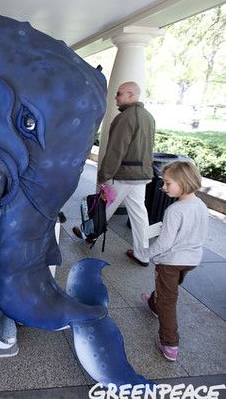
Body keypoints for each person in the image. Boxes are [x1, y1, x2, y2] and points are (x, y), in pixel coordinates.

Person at [72, 81, 155, 266]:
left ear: (131, 95)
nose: (116, 97)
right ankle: (143, 254)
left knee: (104, 205)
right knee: (139, 215)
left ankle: (89, 234)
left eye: (119, 93)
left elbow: (116, 150)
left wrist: (104, 175)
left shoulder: (125, 118)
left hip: (122, 174)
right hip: (141, 175)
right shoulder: (148, 117)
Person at [139, 160, 208, 362]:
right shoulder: (201, 206)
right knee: (167, 288)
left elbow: (164, 244)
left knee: (168, 301)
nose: (163, 187)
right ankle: (153, 303)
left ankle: (169, 344)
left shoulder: (175, 210)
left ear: (183, 182)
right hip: (191, 260)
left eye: (168, 183)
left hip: (171, 262)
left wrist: (147, 253)